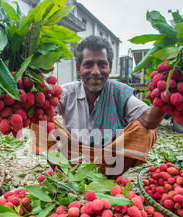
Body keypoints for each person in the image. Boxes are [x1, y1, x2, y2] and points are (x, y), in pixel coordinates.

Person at [31, 36, 165, 177]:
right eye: (88, 64)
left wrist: (166, 91)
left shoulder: (120, 92)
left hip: (109, 162)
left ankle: (110, 179)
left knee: (146, 132)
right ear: (78, 68)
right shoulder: (67, 92)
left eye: (102, 64)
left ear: (110, 67)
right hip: (71, 159)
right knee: (39, 120)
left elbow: (150, 121)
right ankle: (63, 178)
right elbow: (40, 110)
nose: (95, 71)